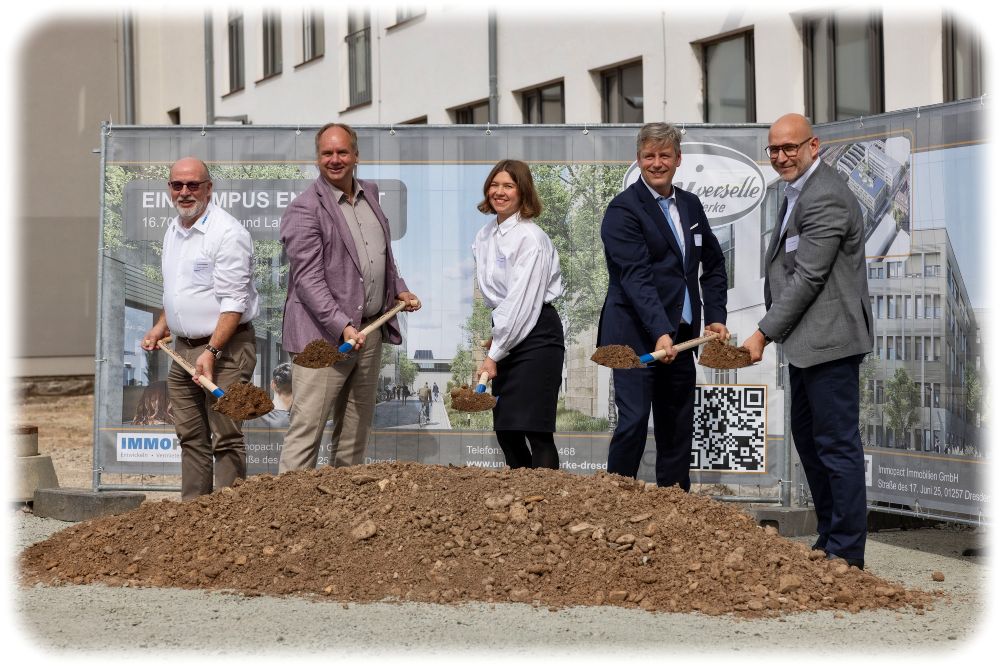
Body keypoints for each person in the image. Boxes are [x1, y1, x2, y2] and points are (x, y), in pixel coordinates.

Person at [741, 113, 874, 569]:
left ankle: (847, 552)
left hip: (831, 340)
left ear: (813, 145)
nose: (781, 157)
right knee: (811, 439)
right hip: (808, 343)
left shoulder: (827, 196)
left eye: (789, 147)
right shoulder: (798, 191)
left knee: (835, 445)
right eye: (774, 150)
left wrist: (761, 333)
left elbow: (808, 278)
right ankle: (831, 538)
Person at [278, 123, 421, 472]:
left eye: (342, 152)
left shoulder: (369, 194)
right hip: (322, 339)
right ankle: (285, 516)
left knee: (355, 432)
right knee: (307, 430)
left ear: (356, 156)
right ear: (317, 158)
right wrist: (341, 325)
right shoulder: (304, 210)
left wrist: (398, 286)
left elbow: (380, 254)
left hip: (369, 331)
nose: (335, 159)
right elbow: (308, 280)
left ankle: (341, 512)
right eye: (327, 153)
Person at [597, 123, 729, 490]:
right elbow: (636, 278)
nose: (657, 163)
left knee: (676, 424)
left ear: (678, 159)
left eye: (664, 155)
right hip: (632, 337)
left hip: (680, 335)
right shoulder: (623, 210)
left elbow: (714, 264)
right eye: (649, 156)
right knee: (635, 419)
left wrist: (715, 317)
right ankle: (616, 499)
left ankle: (675, 506)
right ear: (638, 159)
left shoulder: (690, 205)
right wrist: (659, 332)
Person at [140, 157, 259, 500]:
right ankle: (194, 516)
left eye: (193, 185)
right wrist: (161, 326)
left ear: (209, 188)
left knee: (226, 436)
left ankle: (228, 520)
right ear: (169, 189)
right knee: (190, 435)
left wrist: (212, 352)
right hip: (182, 349)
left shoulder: (228, 233)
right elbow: (177, 292)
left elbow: (234, 302)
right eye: (177, 185)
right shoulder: (173, 230)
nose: (185, 192)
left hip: (226, 349)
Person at [473, 159, 565, 470]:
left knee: (535, 431)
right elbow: (501, 300)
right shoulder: (484, 235)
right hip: (510, 330)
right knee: (507, 432)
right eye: (494, 184)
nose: (499, 192)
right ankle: (524, 504)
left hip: (538, 335)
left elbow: (523, 302)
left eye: (508, 186)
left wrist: (494, 354)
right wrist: (497, 336)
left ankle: (548, 506)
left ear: (522, 192)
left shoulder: (531, 238)